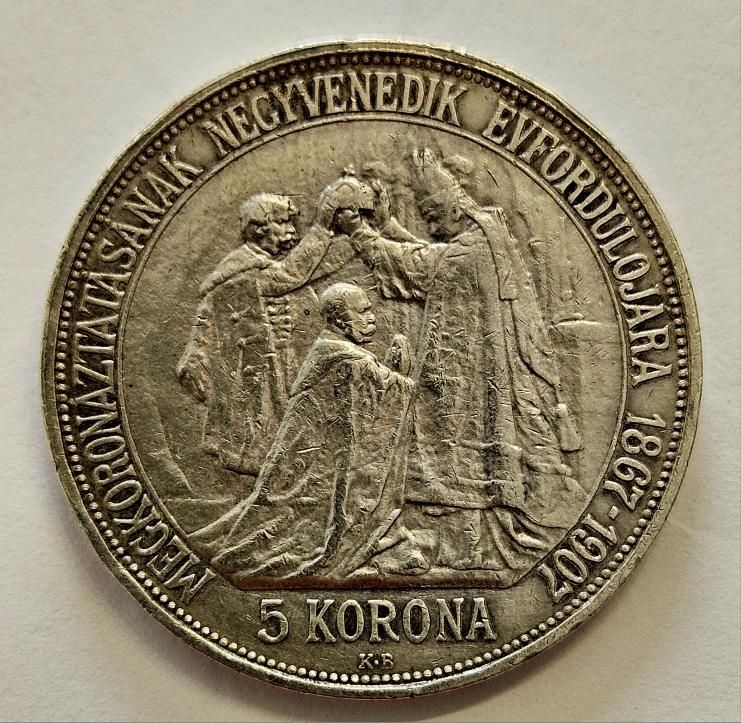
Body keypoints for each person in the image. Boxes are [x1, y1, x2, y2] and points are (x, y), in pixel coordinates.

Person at [347, 148, 587, 586]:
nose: (431, 225)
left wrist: (359, 232)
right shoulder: (486, 241)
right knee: (470, 460)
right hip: (480, 375)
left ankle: (471, 551)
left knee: (460, 457)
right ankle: (469, 547)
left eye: (433, 216)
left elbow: (419, 265)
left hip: (468, 384)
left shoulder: (467, 253)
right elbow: (432, 254)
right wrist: (387, 225)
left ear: (457, 210)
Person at [188, 283, 415, 584]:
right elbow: (389, 394)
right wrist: (402, 373)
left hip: (298, 465)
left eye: (370, 310)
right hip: (318, 472)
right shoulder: (350, 359)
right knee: (296, 526)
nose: (371, 317)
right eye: (362, 311)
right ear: (340, 319)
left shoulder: (325, 349)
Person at [177, 190, 345, 474]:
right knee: (263, 429)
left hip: (280, 364)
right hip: (257, 369)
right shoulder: (242, 271)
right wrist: (322, 229)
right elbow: (291, 275)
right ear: (260, 229)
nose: (292, 231)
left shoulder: (260, 266)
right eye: (284, 222)